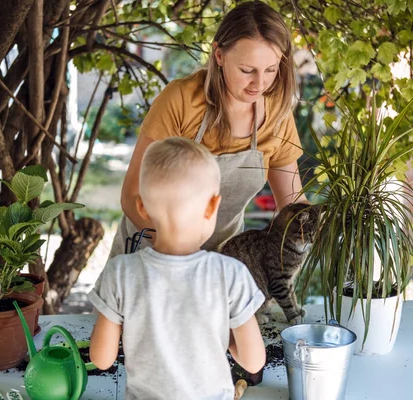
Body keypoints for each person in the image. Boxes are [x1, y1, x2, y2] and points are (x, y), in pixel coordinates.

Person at [110, 0, 307, 256]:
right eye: (247, 70)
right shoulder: (181, 100)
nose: (259, 83)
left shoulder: (277, 114)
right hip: (153, 255)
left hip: (222, 260)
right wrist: (180, 255)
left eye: (271, 69)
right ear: (219, 55)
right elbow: (132, 196)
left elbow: (293, 207)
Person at [88, 137, 266, 399]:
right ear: (212, 206)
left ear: (142, 208)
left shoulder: (120, 273)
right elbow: (253, 362)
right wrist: (222, 338)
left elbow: (102, 359)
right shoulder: (231, 274)